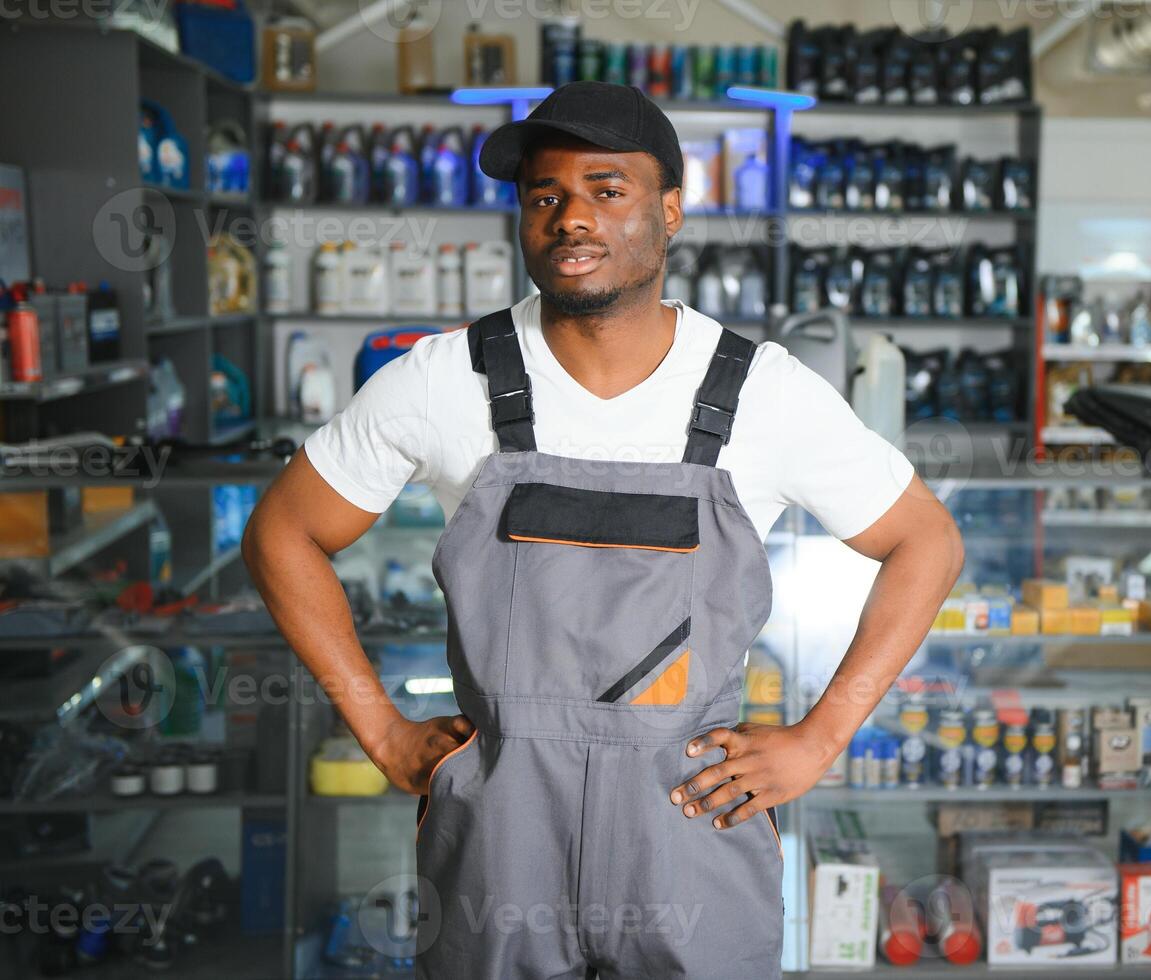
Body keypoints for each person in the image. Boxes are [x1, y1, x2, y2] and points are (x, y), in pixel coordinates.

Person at [242, 81, 964, 978]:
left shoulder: (760, 391)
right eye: (545, 195)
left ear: (670, 211)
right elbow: (281, 532)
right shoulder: (443, 378)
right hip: (500, 837)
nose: (571, 217)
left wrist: (820, 737)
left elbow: (926, 541)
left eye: (606, 189)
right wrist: (381, 731)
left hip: (690, 826)